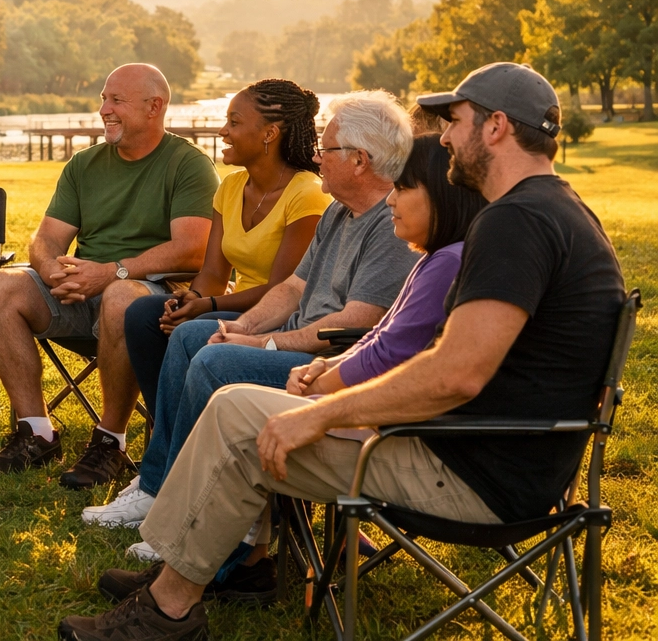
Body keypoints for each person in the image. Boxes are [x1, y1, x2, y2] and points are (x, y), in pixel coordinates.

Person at [62, 63, 625, 641]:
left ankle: (170, 606)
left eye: (454, 121)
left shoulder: (516, 222)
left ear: (497, 127)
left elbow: (455, 374)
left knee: (234, 412)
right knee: (235, 401)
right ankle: (184, 587)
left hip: (467, 468)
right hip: (495, 457)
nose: (444, 137)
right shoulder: (558, 210)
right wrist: (327, 373)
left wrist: (323, 411)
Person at [97, 92, 418, 547]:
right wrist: (245, 327)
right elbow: (292, 288)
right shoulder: (339, 211)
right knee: (191, 336)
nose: (315, 157)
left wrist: (264, 346)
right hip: (293, 342)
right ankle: (157, 488)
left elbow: (354, 324)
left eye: (326, 150)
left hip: (329, 365)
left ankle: (200, 514)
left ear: (360, 161)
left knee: (215, 362)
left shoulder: (388, 223)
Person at [78, 80, 328, 506]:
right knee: (146, 315)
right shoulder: (231, 188)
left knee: (191, 330)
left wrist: (207, 306)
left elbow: (283, 290)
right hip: (230, 307)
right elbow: (213, 272)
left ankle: (165, 471)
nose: (222, 131)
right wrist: (188, 300)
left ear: (270, 133)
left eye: (234, 122)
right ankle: (172, 443)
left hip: (277, 318)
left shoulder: (307, 193)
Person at [0, 64, 220, 479]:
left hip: (150, 297)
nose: (103, 109)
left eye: (116, 100)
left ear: (154, 106)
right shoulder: (84, 164)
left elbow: (193, 250)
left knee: (122, 297)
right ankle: (36, 432)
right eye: (103, 99)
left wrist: (113, 273)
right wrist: (54, 273)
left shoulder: (187, 164)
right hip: (82, 291)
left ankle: (110, 441)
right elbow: (46, 240)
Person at [285, 134, 487, 400]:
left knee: (230, 403)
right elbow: (377, 338)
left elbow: (391, 352)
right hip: (368, 398)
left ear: (441, 196)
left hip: (393, 418)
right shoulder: (432, 258)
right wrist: (324, 366)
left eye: (402, 188)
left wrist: (319, 387)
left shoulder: (449, 261)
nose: (390, 200)